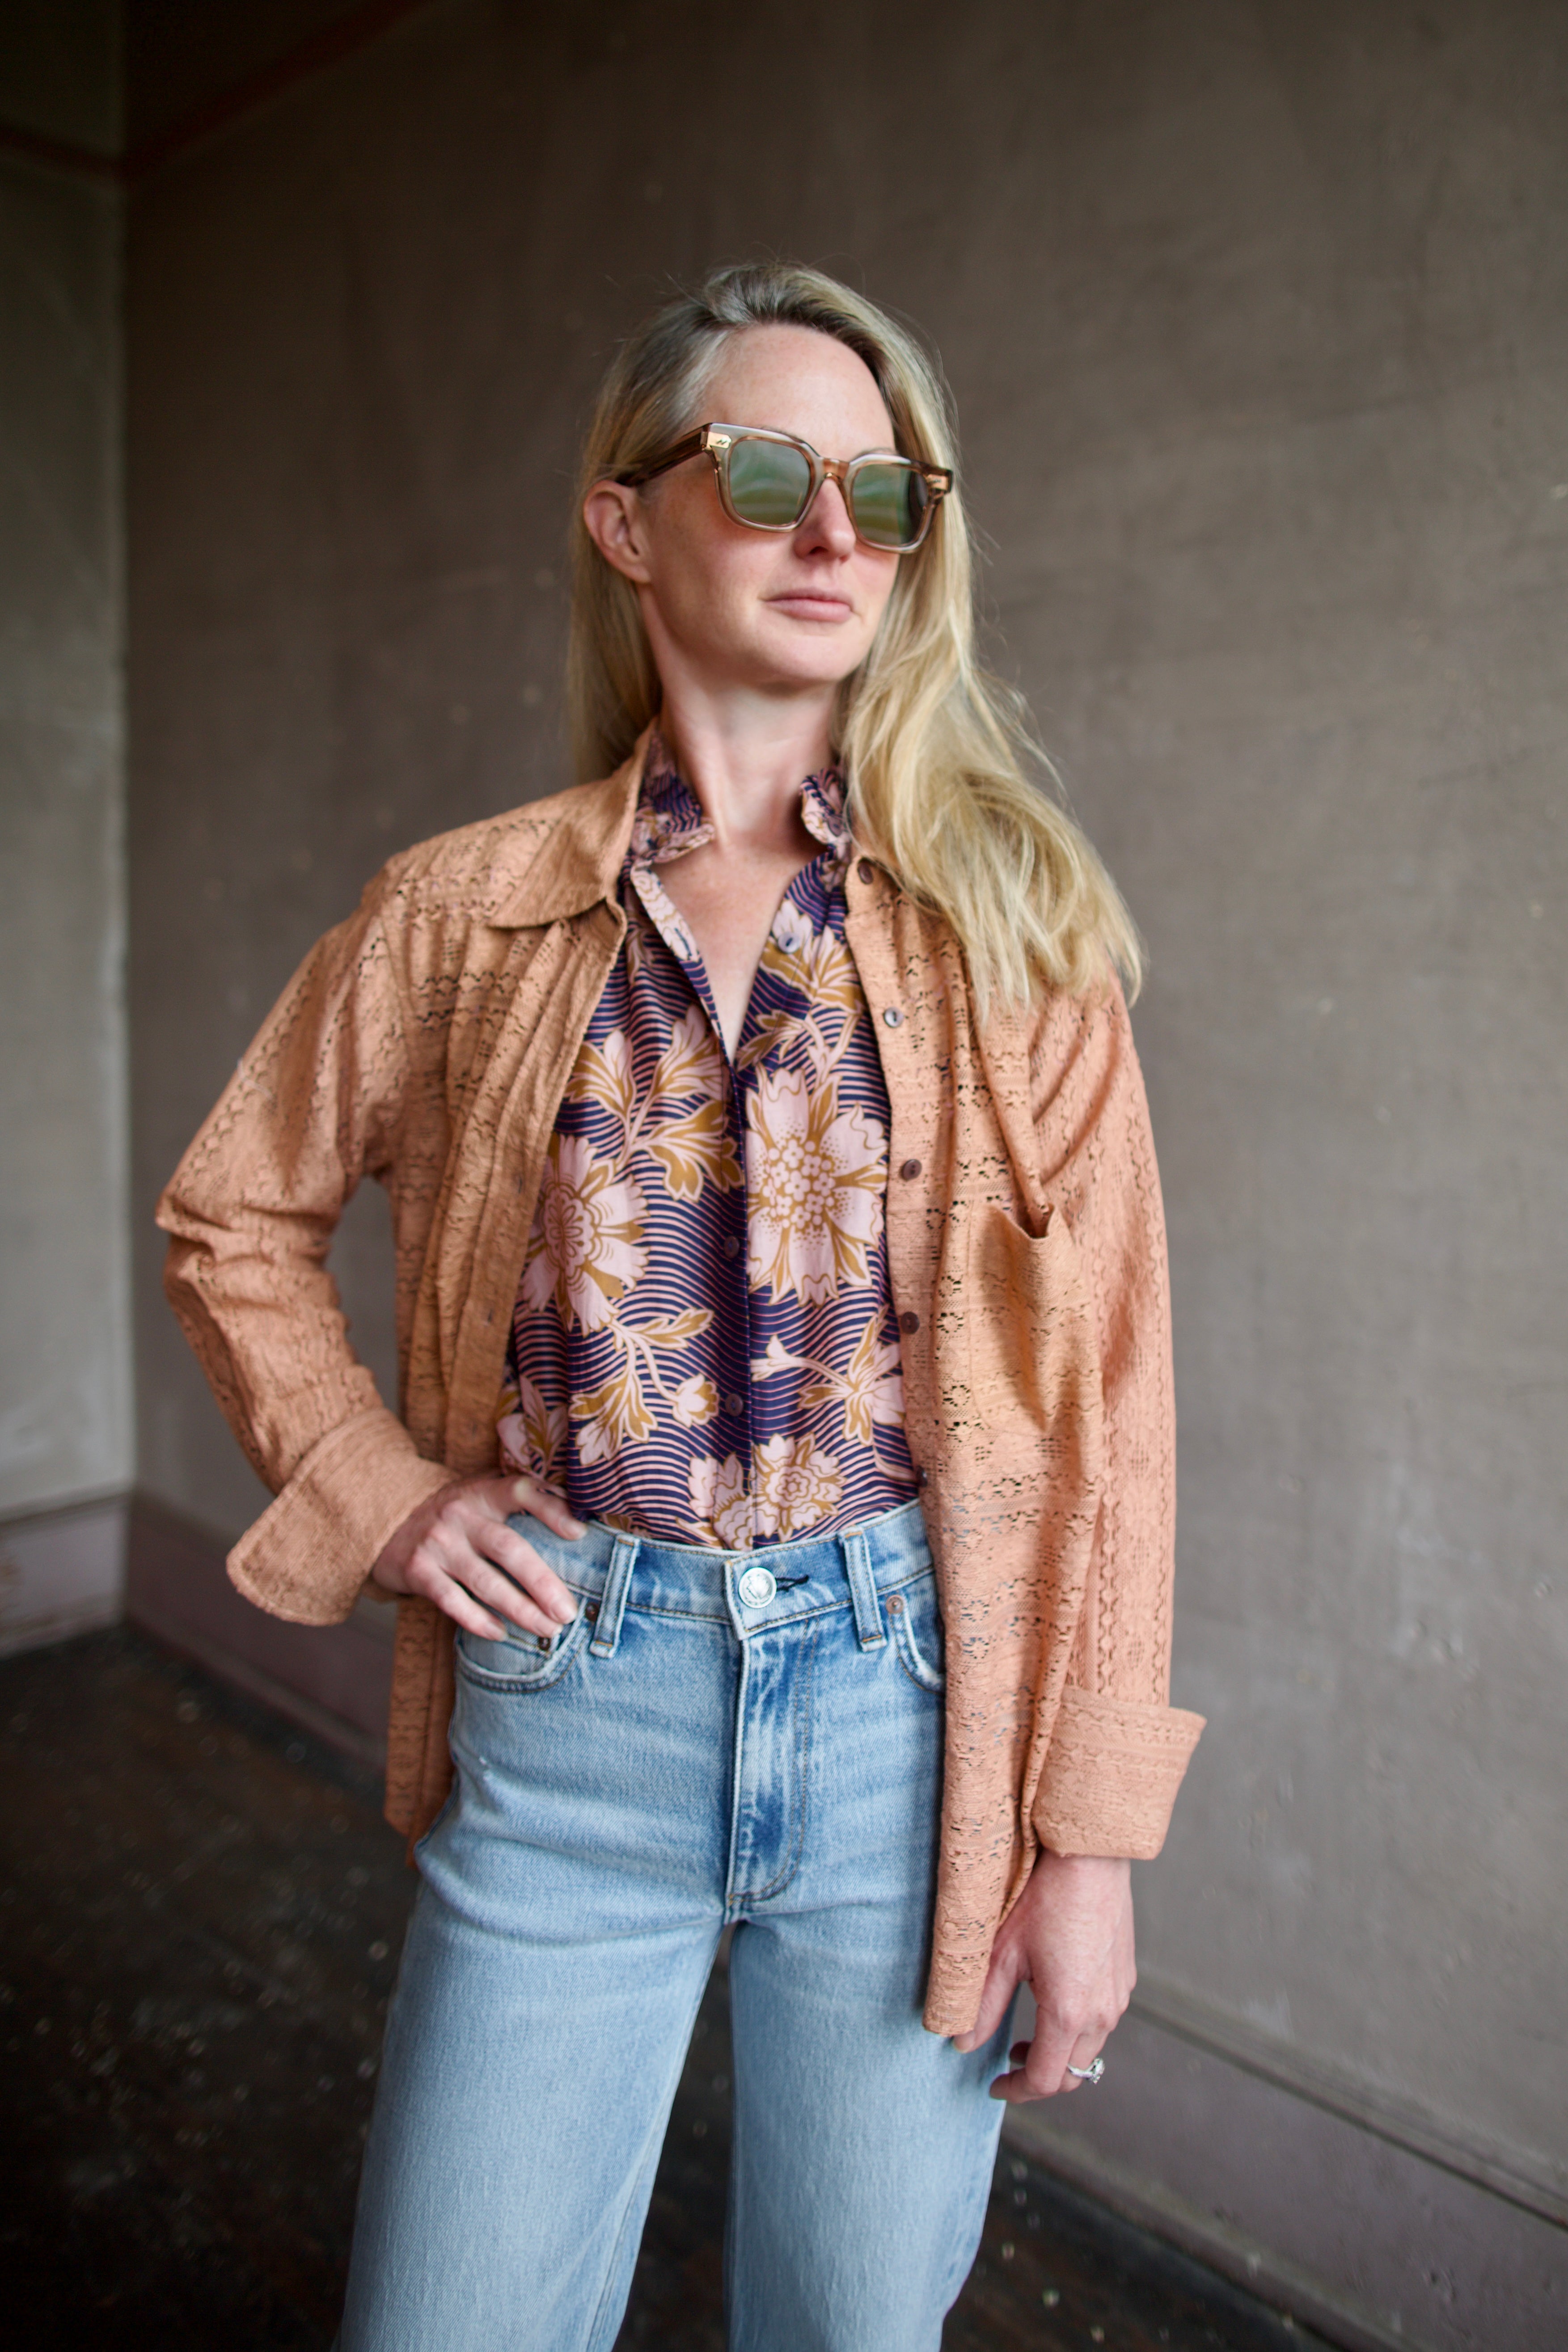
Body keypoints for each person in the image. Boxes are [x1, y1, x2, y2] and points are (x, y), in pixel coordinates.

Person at [158, 262, 1204, 2352]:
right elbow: (232, 1218)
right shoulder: (458, 915)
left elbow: (1113, 1402)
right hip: (572, 1717)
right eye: (765, 471)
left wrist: (1087, 1845)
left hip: (914, 1710)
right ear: (624, 519)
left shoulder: (1012, 933)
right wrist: (378, 1488)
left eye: (885, 494)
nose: (836, 535)